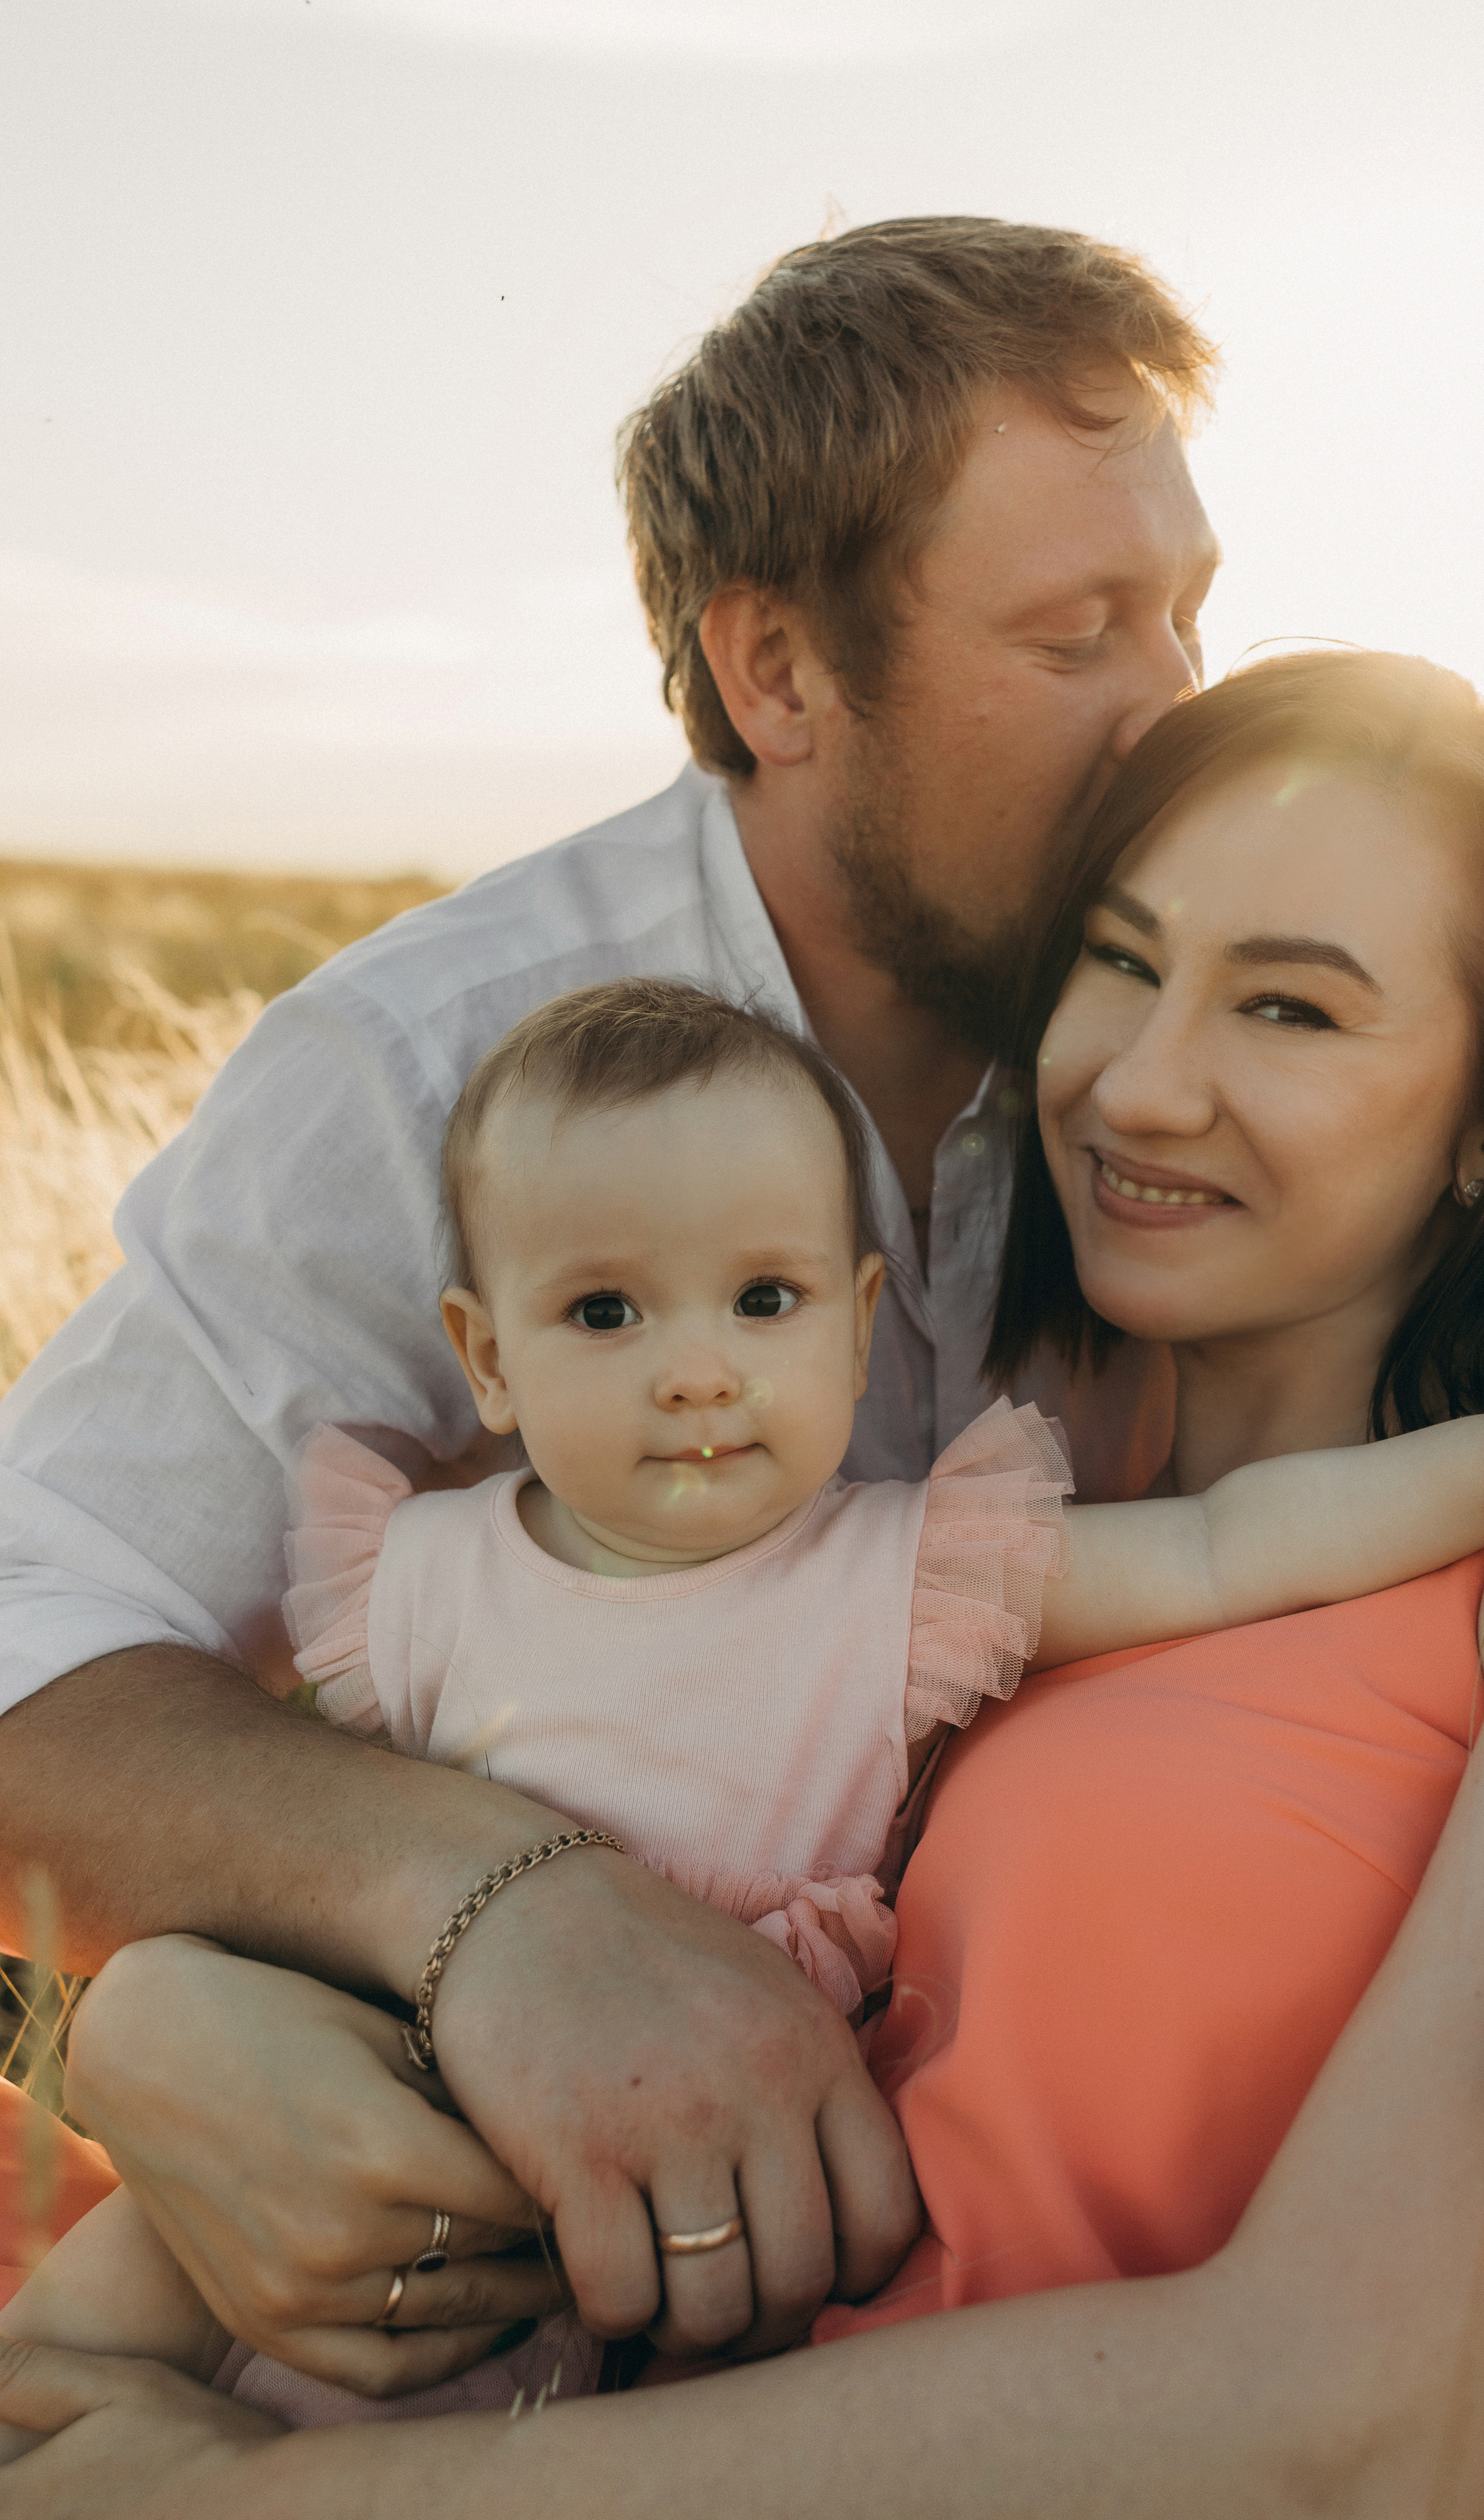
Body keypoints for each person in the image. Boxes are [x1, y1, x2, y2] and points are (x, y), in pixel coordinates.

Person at [11, 651, 1484, 2518]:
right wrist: (170, 2009)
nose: (1138, 1082)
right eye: (1119, 961)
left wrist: (232, 2503)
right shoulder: (964, 1471)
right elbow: (603, 1767)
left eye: (1291, 1009)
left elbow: (1358, 2423)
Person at [0, 216, 1221, 2385]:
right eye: (1081, 633)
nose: (1176, 716)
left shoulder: (1216, 1028)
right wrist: (493, 1903)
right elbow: (29, 1641)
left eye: (1191, 614)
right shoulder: (431, 1068)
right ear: (777, 674)